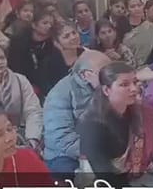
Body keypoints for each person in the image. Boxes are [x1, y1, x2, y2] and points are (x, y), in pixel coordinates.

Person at [79, 62, 153, 189]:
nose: (134, 89)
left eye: (135, 82)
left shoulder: (142, 113)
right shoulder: (91, 123)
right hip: (101, 183)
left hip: (134, 175)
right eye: (124, 84)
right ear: (107, 90)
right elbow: (102, 172)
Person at [43, 50, 110, 178]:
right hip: (64, 154)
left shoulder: (107, 88)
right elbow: (61, 138)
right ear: (85, 75)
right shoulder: (60, 94)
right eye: (104, 73)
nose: (110, 77)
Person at [7, 10, 56, 91]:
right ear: (34, 25)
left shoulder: (52, 42)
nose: (49, 26)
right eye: (45, 23)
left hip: (47, 83)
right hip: (23, 84)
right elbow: (16, 68)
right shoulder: (19, 42)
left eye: (51, 24)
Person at [39, 22, 84, 97]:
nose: (73, 37)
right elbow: (48, 91)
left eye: (74, 33)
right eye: (66, 36)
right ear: (56, 43)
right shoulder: (49, 63)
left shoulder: (88, 54)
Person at [121, 0, 153, 67]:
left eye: (139, 5)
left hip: (146, 67)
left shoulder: (150, 27)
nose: (137, 8)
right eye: (132, 6)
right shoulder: (121, 27)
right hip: (125, 67)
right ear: (127, 9)